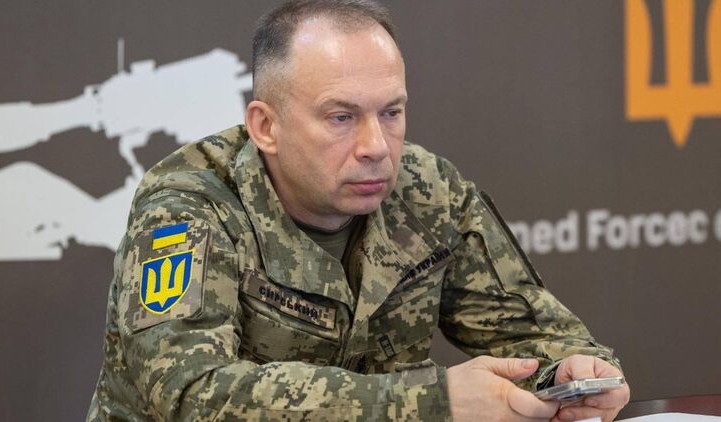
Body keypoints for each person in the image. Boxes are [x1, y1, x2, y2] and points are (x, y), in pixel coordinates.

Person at [88, 1, 630, 420]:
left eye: (391, 113)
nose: (376, 147)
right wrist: (431, 403)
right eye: (341, 118)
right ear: (266, 127)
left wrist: (575, 375)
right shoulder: (189, 206)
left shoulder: (427, 190)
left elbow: (534, 336)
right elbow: (191, 394)